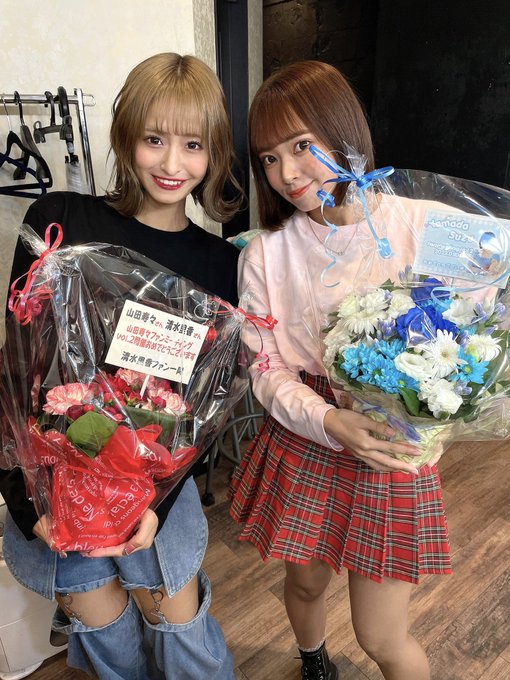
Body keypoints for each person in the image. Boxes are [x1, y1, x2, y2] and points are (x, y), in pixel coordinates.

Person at [1, 52, 243, 680]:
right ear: (125, 135)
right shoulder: (60, 221)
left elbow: (201, 409)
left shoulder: (220, 265)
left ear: (214, 153)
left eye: (193, 145)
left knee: (179, 626)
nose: (172, 163)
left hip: (157, 481)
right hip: (53, 477)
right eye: (154, 139)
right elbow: (18, 372)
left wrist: (158, 499)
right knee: (104, 632)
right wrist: (28, 503)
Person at [229, 60, 451, 680]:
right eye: (269, 158)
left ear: (342, 130)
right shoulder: (265, 253)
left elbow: (481, 330)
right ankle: (312, 659)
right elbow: (265, 364)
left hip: (391, 443)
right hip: (307, 433)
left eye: (302, 145)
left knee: (382, 637)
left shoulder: (426, 223)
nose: (286, 173)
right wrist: (328, 419)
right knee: (304, 584)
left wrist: (440, 407)